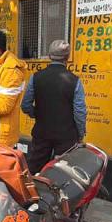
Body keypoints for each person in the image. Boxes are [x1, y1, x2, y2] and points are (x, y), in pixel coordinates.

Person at [21, 40, 87, 173]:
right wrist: (80, 134)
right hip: (66, 136)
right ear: (67, 57)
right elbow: (80, 112)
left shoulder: (36, 77)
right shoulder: (75, 81)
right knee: (62, 172)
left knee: (34, 170)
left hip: (41, 133)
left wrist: (37, 114)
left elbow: (25, 105)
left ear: (50, 56)